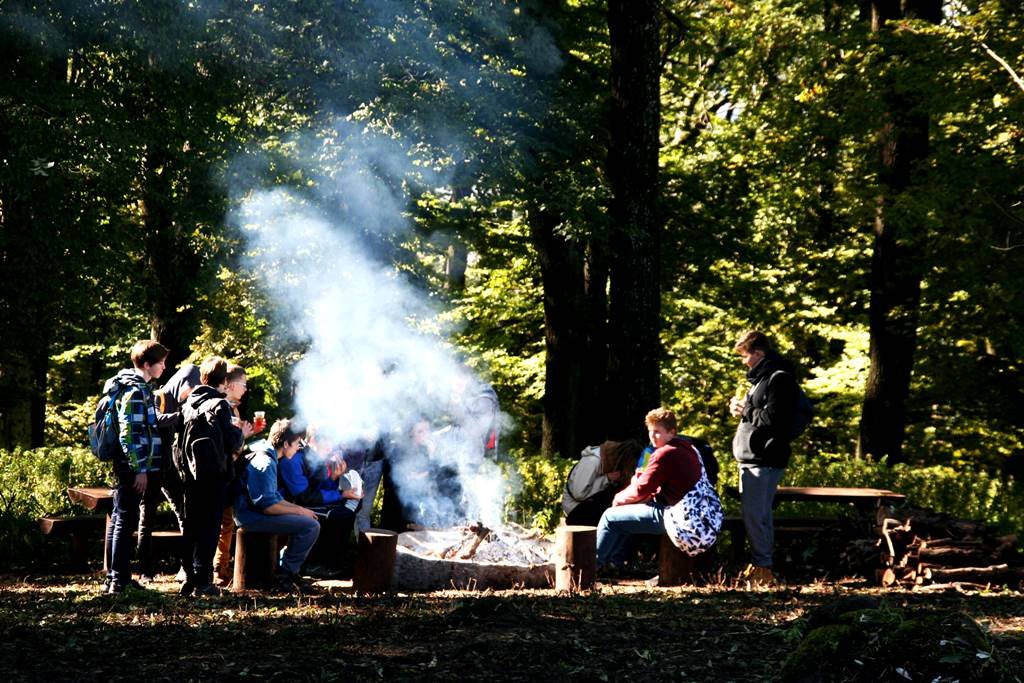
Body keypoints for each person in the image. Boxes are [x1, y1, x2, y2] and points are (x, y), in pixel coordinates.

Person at [728, 330, 799, 586]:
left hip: (763, 460)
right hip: (753, 458)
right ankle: (762, 564)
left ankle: (763, 568)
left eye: (745, 356)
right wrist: (744, 409)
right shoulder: (761, 379)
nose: (743, 361)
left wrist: (745, 409)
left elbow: (774, 419)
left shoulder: (779, 379)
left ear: (758, 354)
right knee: (760, 516)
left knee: (754, 516)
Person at [595, 408, 701, 571]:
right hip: (698, 516)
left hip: (679, 518)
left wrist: (619, 499)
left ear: (672, 432)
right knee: (626, 514)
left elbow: (640, 488)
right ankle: (614, 561)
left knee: (610, 516)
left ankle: (589, 569)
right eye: (651, 431)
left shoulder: (658, 453)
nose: (652, 436)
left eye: (657, 432)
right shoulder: (688, 448)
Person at [178, 357, 249, 597]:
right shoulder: (220, 405)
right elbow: (232, 442)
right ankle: (205, 582)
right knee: (210, 528)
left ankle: (189, 578)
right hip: (215, 476)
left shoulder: (189, 403)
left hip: (190, 474)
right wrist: (241, 432)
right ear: (225, 380)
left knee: (191, 527)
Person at [103, 340, 168, 594]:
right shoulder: (135, 391)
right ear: (147, 364)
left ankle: (116, 577)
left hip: (132, 465)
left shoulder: (139, 388)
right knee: (124, 520)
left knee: (121, 518)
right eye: (160, 362)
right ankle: (118, 579)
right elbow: (129, 433)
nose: (164, 367)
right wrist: (140, 469)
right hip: (131, 467)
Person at [234, 419, 320, 591]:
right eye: (297, 443)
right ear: (286, 444)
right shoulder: (265, 463)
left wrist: (300, 510)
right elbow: (268, 506)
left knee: (306, 518)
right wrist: (300, 512)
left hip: (254, 512)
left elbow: (274, 499)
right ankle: (285, 575)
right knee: (311, 526)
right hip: (250, 517)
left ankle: (285, 569)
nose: (298, 448)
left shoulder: (266, 452)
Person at [136, 362, 198, 582]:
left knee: (184, 513)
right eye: (190, 389)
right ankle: (145, 570)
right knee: (147, 518)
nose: (190, 395)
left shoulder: (181, 400)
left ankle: (186, 567)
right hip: (152, 467)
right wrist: (181, 415)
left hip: (170, 468)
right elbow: (153, 422)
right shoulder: (159, 397)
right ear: (182, 383)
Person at [562, 440, 641, 527]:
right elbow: (579, 494)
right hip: (574, 507)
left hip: (589, 505)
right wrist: (607, 479)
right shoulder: (593, 461)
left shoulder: (612, 463)